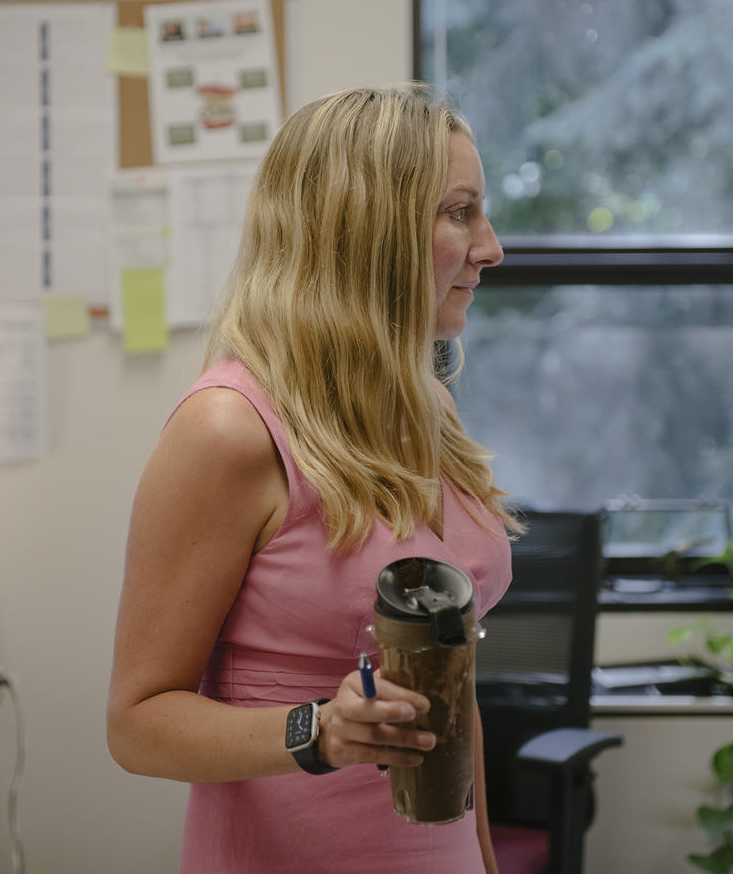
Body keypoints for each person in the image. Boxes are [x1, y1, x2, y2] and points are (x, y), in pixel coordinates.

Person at [107, 84, 518, 873]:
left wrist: (484, 855)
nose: (491, 246)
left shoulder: (428, 405)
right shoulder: (229, 430)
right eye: (460, 212)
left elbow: (450, 690)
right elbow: (136, 724)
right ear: (368, 232)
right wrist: (320, 730)